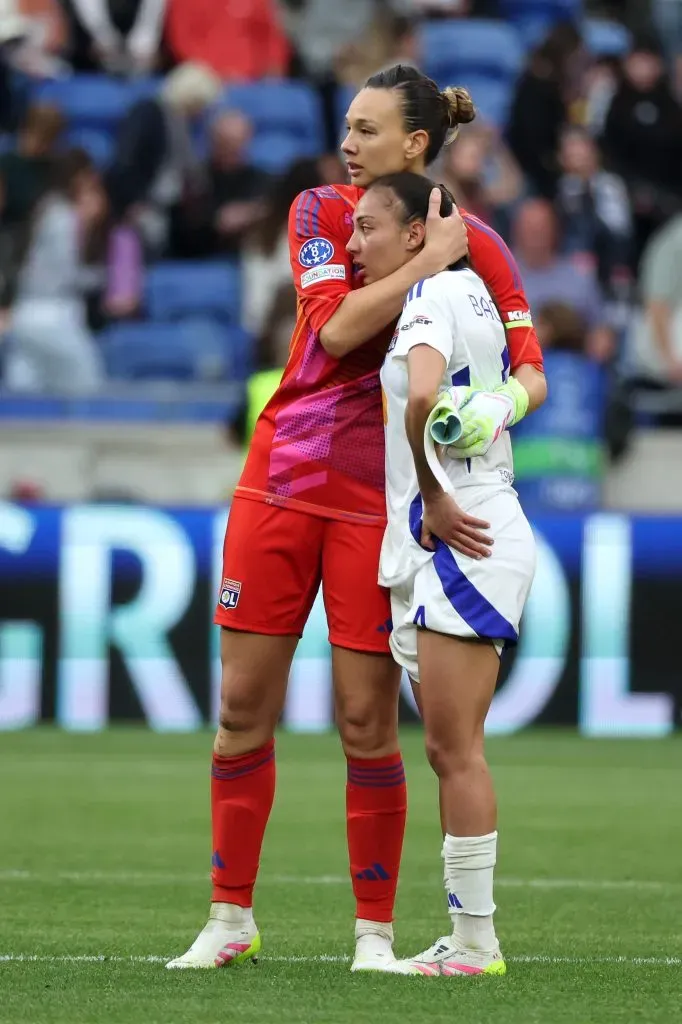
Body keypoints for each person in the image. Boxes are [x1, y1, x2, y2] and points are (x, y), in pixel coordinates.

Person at [167, 64, 546, 973]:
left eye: (368, 130)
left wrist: (493, 411)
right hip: (281, 481)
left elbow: (529, 365)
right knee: (240, 708)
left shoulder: (484, 247)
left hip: (380, 505)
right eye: (347, 125)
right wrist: (424, 260)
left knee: (367, 724)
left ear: (416, 145)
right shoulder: (318, 212)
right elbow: (333, 332)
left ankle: (372, 937)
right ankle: (229, 919)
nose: (348, 141)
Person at [345, 170, 536, 976]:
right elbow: (499, 387)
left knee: (455, 749)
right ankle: (467, 937)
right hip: (480, 518)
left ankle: (475, 944)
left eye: (368, 228)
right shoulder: (475, 295)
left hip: (464, 529)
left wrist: (429, 495)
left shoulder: (425, 301)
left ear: (414, 234)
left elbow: (422, 398)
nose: (354, 244)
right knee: (452, 748)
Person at [5, 148, 104, 393]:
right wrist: (105, 277)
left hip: (27, 314)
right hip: (50, 315)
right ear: (77, 177)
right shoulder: (62, 216)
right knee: (88, 388)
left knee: (22, 398)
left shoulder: (46, 209)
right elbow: (66, 276)